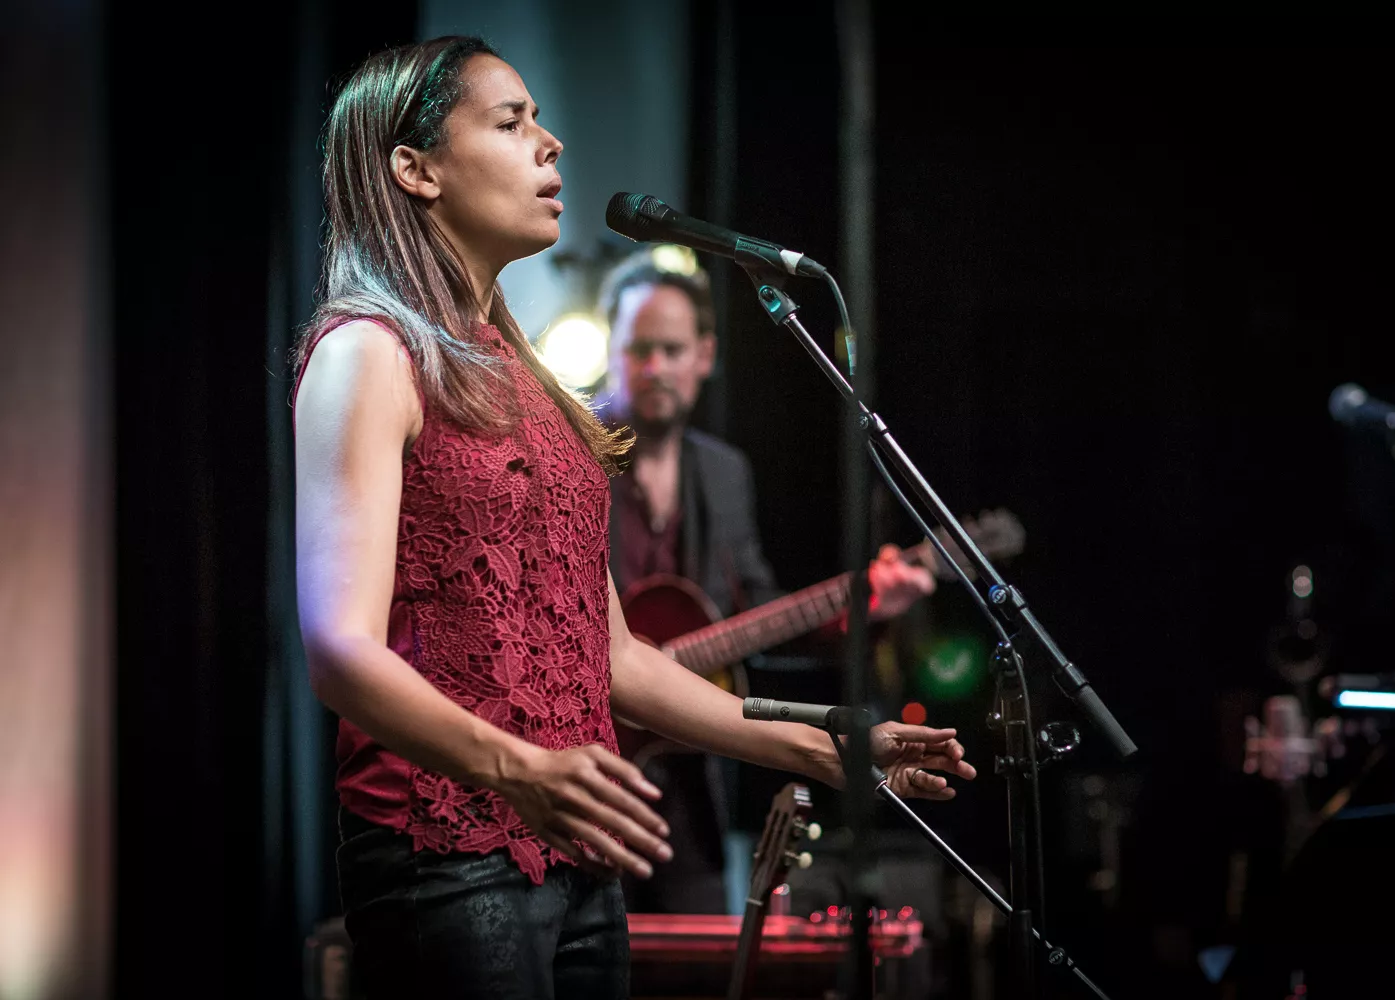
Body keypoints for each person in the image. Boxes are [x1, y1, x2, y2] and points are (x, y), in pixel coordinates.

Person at [292, 36, 976, 999]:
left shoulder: (530, 378)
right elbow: (338, 650)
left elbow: (611, 657)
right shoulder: (367, 353)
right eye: (510, 122)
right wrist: (521, 768)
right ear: (416, 169)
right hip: (447, 855)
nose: (551, 143)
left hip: (580, 853)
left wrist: (824, 746)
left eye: (539, 118)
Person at [597, 248, 937, 914]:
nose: (655, 367)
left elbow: (761, 614)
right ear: (611, 349)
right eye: (639, 349)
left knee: (698, 955)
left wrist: (867, 607)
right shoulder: (572, 451)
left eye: (672, 349)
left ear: (705, 355)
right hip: (583, 757)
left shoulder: (724, 474)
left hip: (690, 776)